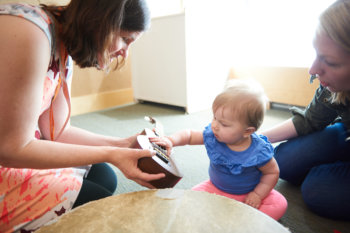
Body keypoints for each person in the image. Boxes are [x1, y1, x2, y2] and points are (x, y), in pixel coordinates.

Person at [0, 0, 165, 232]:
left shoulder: (61, 43)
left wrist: (122, 145)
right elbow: (10, 148)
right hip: (9, 151)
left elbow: (57, 132)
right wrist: (112, 153)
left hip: (16, 147)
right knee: (99, 204)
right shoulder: (30, 32)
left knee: (104, 176)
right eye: (126, 39)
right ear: (102, 21)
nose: (124, 55)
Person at [261, 0, 350, 221]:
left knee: (318, 190)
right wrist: (256, 138)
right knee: (283, 161)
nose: (313, 69)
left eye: (329, 61)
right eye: (316, 54)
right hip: (345, 133)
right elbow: (309, 120)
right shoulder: (333, 86)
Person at [151, 79, 288, 220]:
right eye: (214, 118)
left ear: (247, 131)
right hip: (215, 188)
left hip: (248, 195)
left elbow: (272, 172)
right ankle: (231, 220)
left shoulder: (258, 151)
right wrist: (171, 140)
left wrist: (258, 194)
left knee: (279, 204)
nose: (215, 125)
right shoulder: (213, 135)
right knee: (190, 200)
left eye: (223, 123)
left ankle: (241, 224)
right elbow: (189, 135)